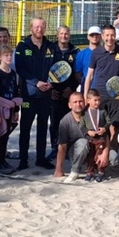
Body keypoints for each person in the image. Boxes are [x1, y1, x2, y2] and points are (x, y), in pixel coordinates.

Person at [16, 17, 56, 170]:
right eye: (37, 26)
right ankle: (23, 160)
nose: (39, 29)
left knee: (42, 128)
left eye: (42, 26)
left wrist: (51, 82)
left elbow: (56, 67)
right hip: (29, 94)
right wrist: (36, 82)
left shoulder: (51, 47)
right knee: (25, 127)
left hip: (46, 94)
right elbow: (21, 69)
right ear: (31, 27)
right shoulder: (22, 46)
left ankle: (40, 158)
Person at [84, 24, 119, 147]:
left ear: (115, 36)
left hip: (116, 96)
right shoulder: (96, 52)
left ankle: (112, 156)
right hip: (99, 95)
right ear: (102, 36)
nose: (110, 38)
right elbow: (89, 75)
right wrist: (86, 96)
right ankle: (97, 155)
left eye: (112, 35)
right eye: (107, 35)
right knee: (97, 126)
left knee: (114, 127)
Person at [0, 45, 21, 174]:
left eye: (10, 55)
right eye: (6, 55)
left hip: (10, 107)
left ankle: (3, 160)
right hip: (0, 108)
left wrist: (16, 109)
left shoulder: (13, 74)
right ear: (0, 57)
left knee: (5, 135)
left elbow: (16, 92)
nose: (9, 57)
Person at [49, 25, 78, 161]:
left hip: (68, 93)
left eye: (66, 34)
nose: (64, 36)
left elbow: (77, 74)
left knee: (69, 122)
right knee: (54, 122)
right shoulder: (50, 49)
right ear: (57, 35)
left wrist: (72, 88)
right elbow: (45, 70)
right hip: (54, 92)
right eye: (61, 34)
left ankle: (67, 148)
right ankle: (55, 148)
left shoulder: (75, 51)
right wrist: (51, 89)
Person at [54, 92, 92, 184]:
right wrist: (59, 168)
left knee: (113, 157)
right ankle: (75, 171)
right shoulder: (65, 121)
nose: (78, 104)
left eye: (80, 101)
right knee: (83, 143)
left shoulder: (91, 115)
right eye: (75, 102)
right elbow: (62, 146)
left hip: (93, 150)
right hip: (75, 152)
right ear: (69, 105)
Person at [82, 89, 110, 180]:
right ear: (88, 100)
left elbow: (109, 121)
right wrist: (87, 131)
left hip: (100, 138)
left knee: (99, 154)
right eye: (95, 100)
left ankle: (101, 171)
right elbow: (81, 125)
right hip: (90, 138)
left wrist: (104, 128)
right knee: (90, 155)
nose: (97, 102)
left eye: (99, 100)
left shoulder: (102, 111)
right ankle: (90, 171)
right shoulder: (85, 112)